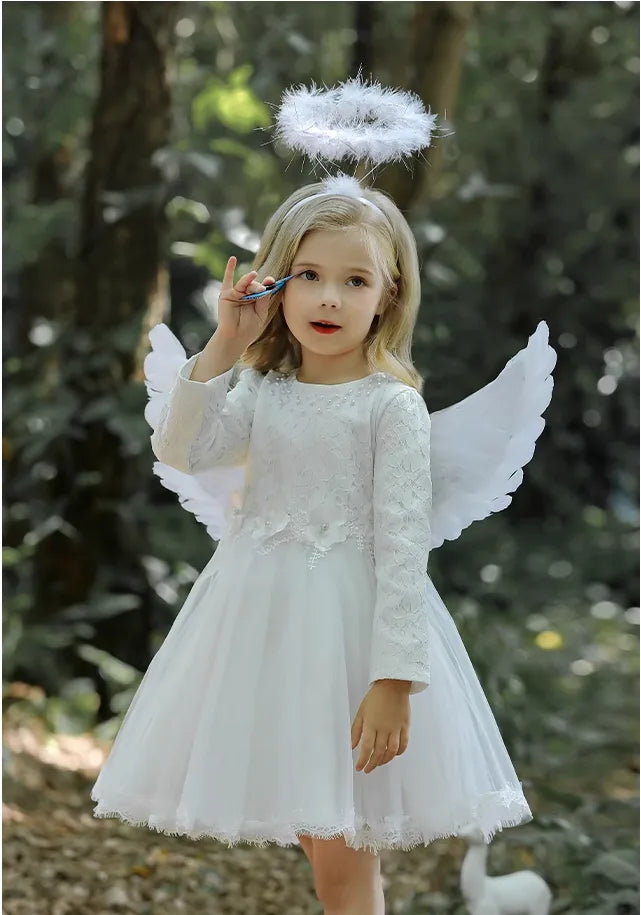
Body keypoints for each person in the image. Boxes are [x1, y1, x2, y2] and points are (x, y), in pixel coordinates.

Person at [91, 177, 550, 915]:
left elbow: (402, 547)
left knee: (341, 845)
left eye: (354, 279)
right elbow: (182, 449)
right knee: (318, 830)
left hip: (350, 634)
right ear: (274, 283)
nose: (329, 298)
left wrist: (394, 678)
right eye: (308, 276)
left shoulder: (390, 407)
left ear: (388, 296)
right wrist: (224, 342)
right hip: (261, 631)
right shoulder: (259, 387)